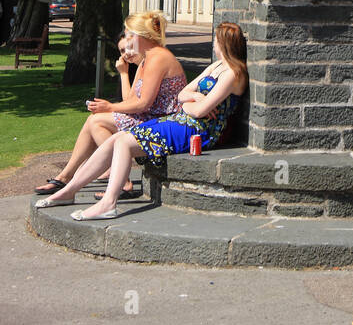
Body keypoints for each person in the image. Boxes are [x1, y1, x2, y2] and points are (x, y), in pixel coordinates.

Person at [36, 22, 248, 221]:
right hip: (183, 121)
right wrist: (194, 100)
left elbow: (200, 111)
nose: (213, 43)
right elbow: (183, 94)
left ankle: (109, 203)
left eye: (215, 40)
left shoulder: (232, 74)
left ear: (222, 43)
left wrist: (192, 103)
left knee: (124, 143)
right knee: (116, 138)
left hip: (200, 131)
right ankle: (69, 190)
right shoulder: (216, 66)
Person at [34, 12, 186, 198]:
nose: (128, 40)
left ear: (142, 36)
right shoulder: (147, 59)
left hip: (162, 123)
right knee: (95, 121)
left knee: (97, 121)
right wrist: (123, 74)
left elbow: (144, 104)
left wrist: (109, 107)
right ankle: (68, 177)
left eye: (130, 35)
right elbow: (130, 101)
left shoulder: (158, 57)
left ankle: (115, 181)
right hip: (150, 117)